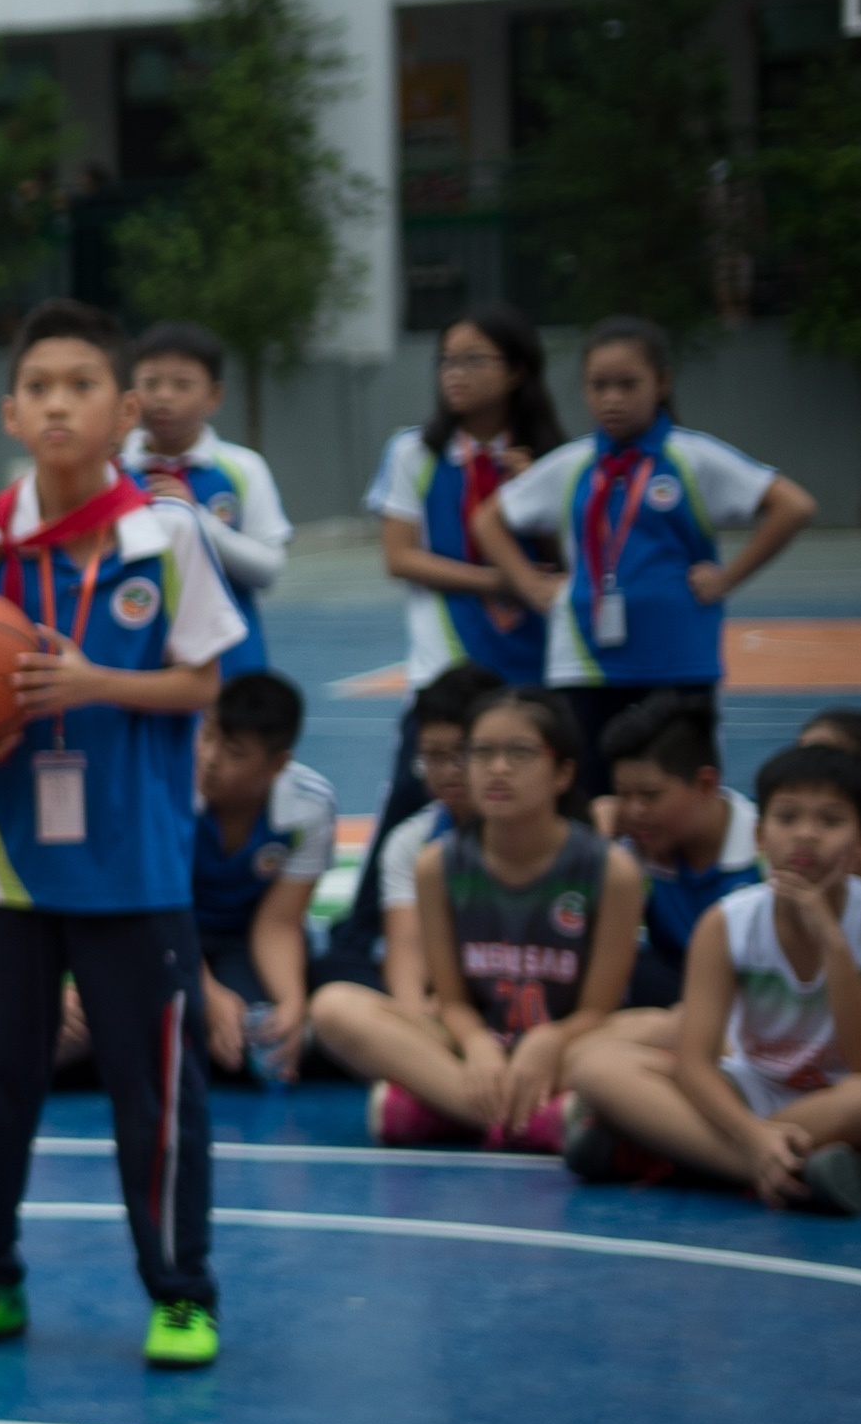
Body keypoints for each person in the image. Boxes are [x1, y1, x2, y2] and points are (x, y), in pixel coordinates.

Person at [0, 299, 243, 1370]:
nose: (58, 402)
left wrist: (94, 681)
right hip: (0, 867)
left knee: (158, 1094)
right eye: (39, 386)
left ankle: (181, 1292)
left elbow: (204, 679)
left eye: (82, 385)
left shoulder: (168, 534)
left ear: (126, 409)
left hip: (135, 865)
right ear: (10, 412)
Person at [477, 316, 816, 768]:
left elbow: (793, 506)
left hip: (678, 661)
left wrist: (727, 579)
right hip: (584, 663)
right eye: (598, 385)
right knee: (589, 791)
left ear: (662, 383)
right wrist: (530, 585)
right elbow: (489, 519)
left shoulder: (691, 457)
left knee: (679, 789)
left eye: (627, 384)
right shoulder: (572, 465)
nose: (612, 398)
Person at [316, 688, 639, 1153]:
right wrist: (478, 1045)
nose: (498, 768)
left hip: (565, 1049)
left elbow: (597, 1011)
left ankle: (437, 1110)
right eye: (482, 753)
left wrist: (549, 1040)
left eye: (520, 753)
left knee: (662, 1027)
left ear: (564, 772)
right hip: (470, 1047)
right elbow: (451, 1000)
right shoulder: (437, 865)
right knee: (334, 1007)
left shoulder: (609, 870)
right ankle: (537, 1121)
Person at [562, 743, 861, 1215]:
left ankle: (658, 1150)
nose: (806, 835)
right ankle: (784, 1169)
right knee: (596, 1067)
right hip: (747, 1090)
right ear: (761, 836)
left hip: (835, 1102)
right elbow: (697, 1063)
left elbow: (859, 1062)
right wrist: (753, 1138)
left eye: (830, 821)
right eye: (788, 819)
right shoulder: (728, 923)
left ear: (859, 842)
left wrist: (834, 943)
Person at [369, 302, 565, 695]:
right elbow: (399, 557)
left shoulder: (554, 460)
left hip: (541, 660)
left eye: (473, 360)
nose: (455, 374)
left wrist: (540, 494)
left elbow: (573, 557)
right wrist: (497, 581)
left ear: (516, 370)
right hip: (443, 664)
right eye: (446, 361)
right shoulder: (414, 453)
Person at [317, 664, 501, 1020]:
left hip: (520, 990)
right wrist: (416, 1014)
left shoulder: (532, 831)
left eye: (460, 754)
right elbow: (405, 949)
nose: (448, 771)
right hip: (439, 993)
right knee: (331, 980)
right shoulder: (410, 840)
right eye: (432, 757)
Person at [189, 670, 335, 1088]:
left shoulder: (310, 806)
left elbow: (279, 923)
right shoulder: (169, 791)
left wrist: (293, 1003)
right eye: (207, 736)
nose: (210, 758)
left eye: (234, 752)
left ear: (278, 763)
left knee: (260, 1034)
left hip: (242, 938)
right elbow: (160, 910)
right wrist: (208, 995)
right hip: (162, 931)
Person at [125, 322, 292, 678]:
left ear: (214, 396)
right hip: (137, 659)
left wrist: (198, 521)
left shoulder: (242, 468)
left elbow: (268, 569)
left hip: (232, 663)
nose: (164, 397)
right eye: (151, 383)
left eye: (182, 384)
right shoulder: (112, 469)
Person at [596, 694, 758, 1012]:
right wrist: (596, 847)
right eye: (622, 794)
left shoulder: (764, 856)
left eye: (649, 795)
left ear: (706, 783)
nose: (632, 811)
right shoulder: (630, 853)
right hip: (675, 1004)